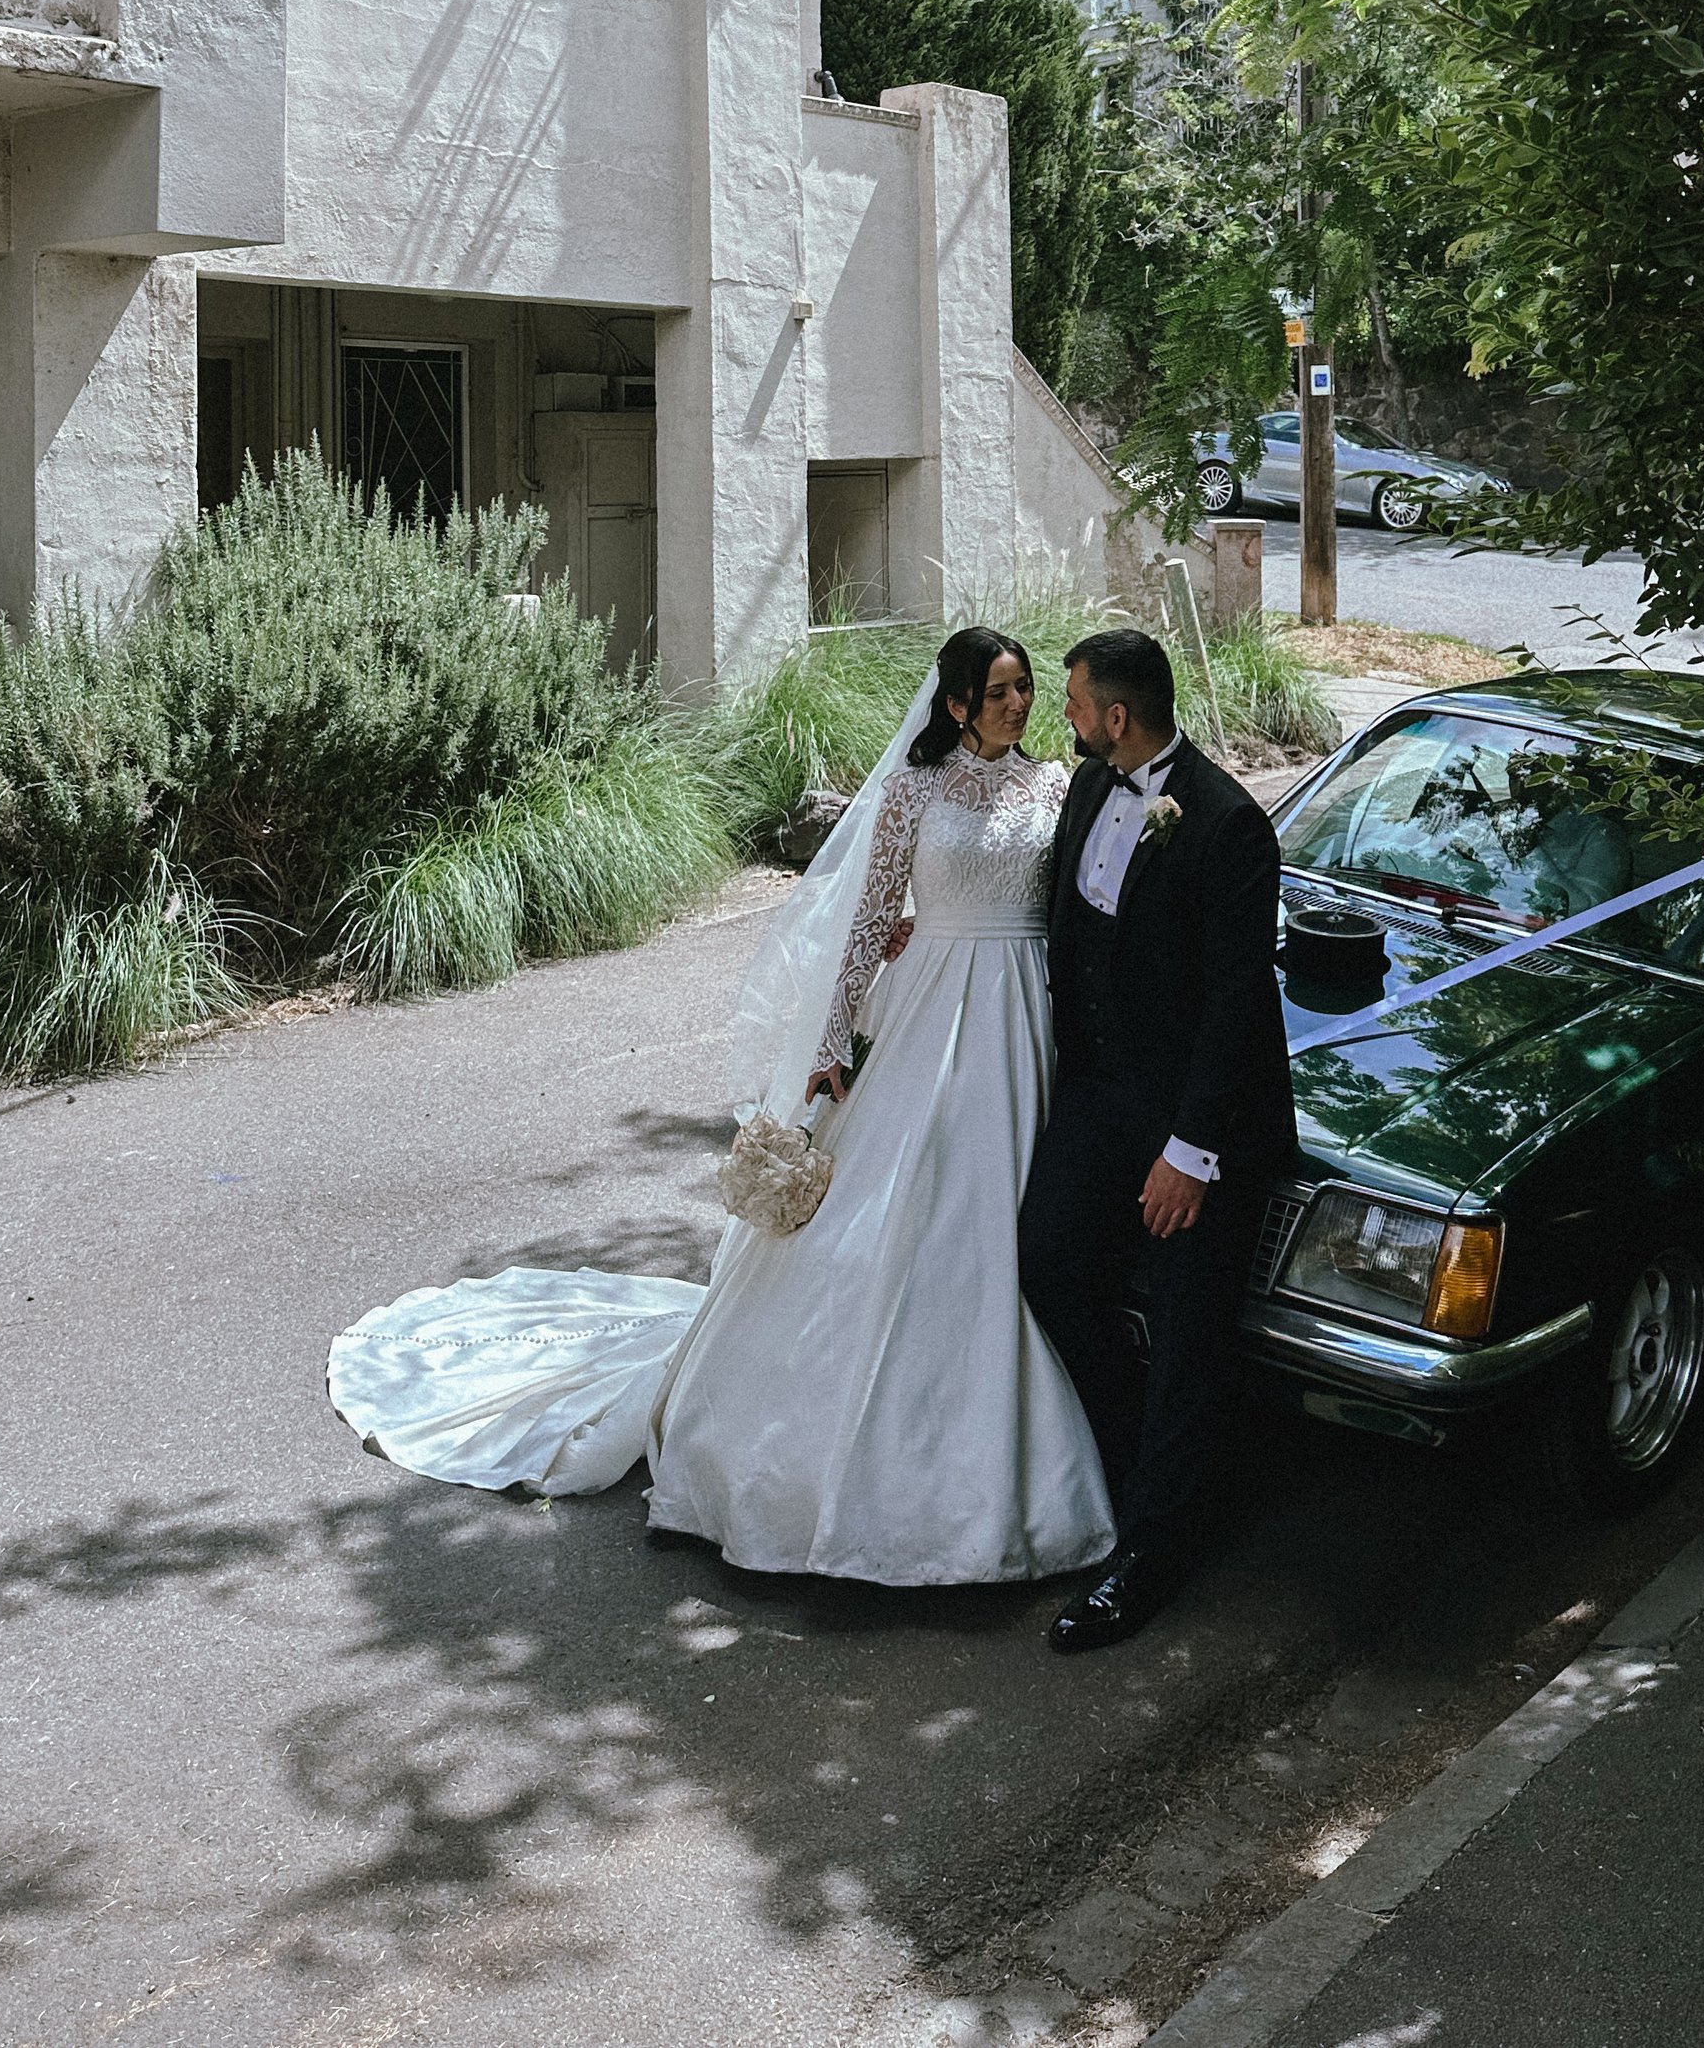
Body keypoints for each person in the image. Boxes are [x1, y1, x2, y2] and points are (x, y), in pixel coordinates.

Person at [326, 628, 1117, 1589]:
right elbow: (870, 916)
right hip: (931, 1011)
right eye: (997, 690)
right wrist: (831, 1040)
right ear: (955, 704)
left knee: (1008, 1213)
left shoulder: (1056, 788)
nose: (1017, 704)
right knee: (909, 1211)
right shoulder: (917, 788)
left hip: (1025, 1013)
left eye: (1024, 687)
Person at [1019, 626, 1293, 1654]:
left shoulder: (1227, 825)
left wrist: (1191, 1153)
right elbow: (1062, 926)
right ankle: (1141, 1462)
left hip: (1195, 1124)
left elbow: (1236, 1004)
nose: (1064, 716)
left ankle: (1150, 1556)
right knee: (1046, 1260)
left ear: (1117, 716)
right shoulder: (1090, 788)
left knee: (1187, 1330)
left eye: (1074, 702)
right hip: (1100, 1096)